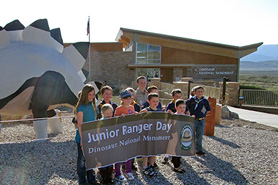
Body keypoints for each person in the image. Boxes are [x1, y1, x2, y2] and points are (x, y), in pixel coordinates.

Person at [75, 84, 98, 185]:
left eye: (93, 94)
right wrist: (83, 140)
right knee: (81, 160)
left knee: (91, 159)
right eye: (90, 94)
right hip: (83, 137)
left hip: (92, 136)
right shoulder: (81, 107)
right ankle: (82, 181)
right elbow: (80, 125)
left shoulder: (92, 105)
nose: (92, 96)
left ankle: (91, 178)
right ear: (85, 94)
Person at [114, 90, 137, 182]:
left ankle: (128, 171)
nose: (128, 100)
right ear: (122, 99)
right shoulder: (118, 109)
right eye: (126, 98)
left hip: (130, 133)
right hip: (121, 134)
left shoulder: (132, 107)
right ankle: (117, 173)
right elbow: (114, 121)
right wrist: (120, 117)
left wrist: (136, 115)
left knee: (129, 153)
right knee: (119, 153)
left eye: (130, 98)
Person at [186, 86, 211, 155]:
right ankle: (189, 148)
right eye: (198, 92)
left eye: (201, 92)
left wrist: (203, 114)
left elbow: (208, 109)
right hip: (192, 119)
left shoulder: (205, 101)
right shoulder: (191, 100)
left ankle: (199, 149)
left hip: (201, 120)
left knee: (199, 135)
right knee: (191, 134)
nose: (200, 93)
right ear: (194, 92)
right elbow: (186, 108)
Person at [141, 93, 161, 177]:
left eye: (157, 101)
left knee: (154, 151)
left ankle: (151, 165)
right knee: (146, 151)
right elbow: (140, 118)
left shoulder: (159, 111)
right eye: (153, 101)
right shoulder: (146, 110)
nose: (155, 103)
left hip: (155, 135)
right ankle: (145, 167)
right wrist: (142, 112)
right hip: (147, 134)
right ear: (149, 101)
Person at [163, 89, 182, 164]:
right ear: (173, 96)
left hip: (180, 125)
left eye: (180, 96)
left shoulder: (182, 104)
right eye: (176, 96)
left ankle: (176, 157)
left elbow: (186, 112)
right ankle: (166, 156)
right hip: (172, 126)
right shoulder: (170, 105)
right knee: (170, 141)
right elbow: (167, 114)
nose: (178, 98)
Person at [98, 104, 114, 184]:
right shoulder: (100, 122)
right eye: (107, 113)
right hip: (103, 145)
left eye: (111, 113)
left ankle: (109, 176)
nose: (109, 115)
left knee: (110, 160)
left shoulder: (113, 121)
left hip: (111, 145)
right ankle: (103, 177)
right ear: (103, 113)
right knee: (103, 161)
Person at [171, 99, 186, 173]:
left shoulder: (185, 116)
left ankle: (177, 163)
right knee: (175, 152)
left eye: (184, 107)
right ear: (176, 108)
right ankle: (176, 167)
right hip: (175, 137)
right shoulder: (174, 116)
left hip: (182, 137)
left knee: (179, 152)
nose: (182, 109)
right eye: (180, 107)